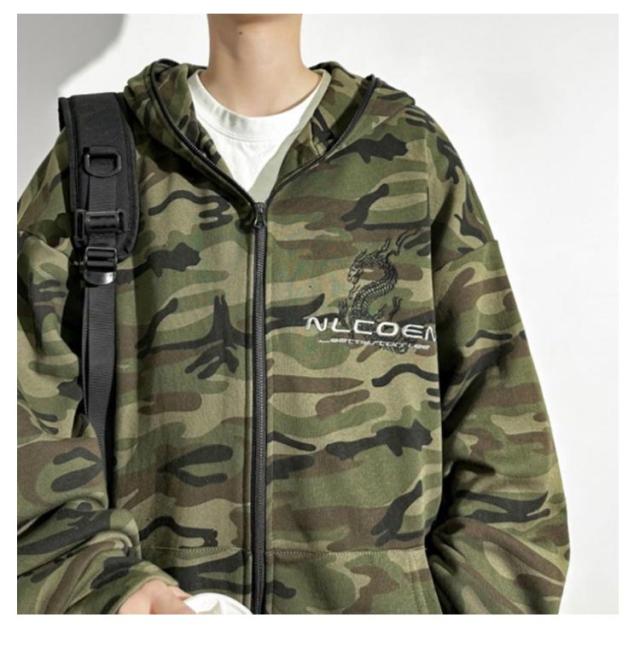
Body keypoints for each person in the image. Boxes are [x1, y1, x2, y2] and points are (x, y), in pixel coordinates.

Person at [17, 13, 570, 614]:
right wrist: (105, 590)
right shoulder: (100, 156)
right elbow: (18, 419)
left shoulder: (409, 157)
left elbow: (507, 441)